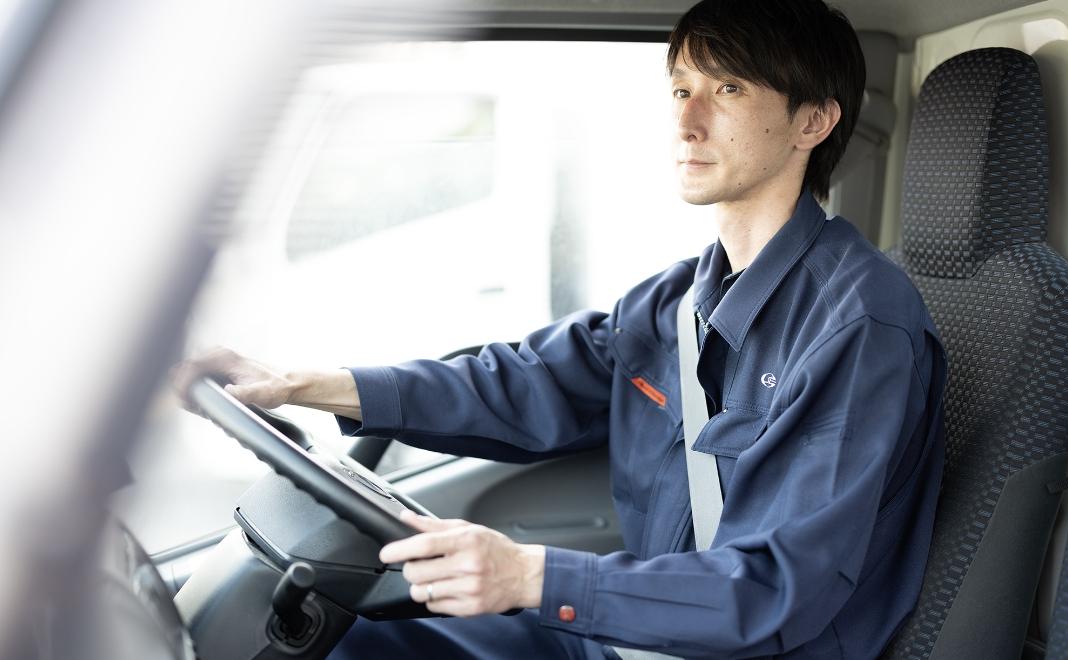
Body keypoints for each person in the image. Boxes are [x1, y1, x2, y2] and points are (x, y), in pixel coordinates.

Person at [175, 0, 947, 657]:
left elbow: (778, 589)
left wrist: (529, 576)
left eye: (728, 88)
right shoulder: (677, 301)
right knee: (347, 639)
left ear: (812, 120)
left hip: (728, 646)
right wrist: (303, 386)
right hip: (636, 637)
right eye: (680, 89)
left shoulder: (859, 324)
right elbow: (519, 383)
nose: (687, 120)